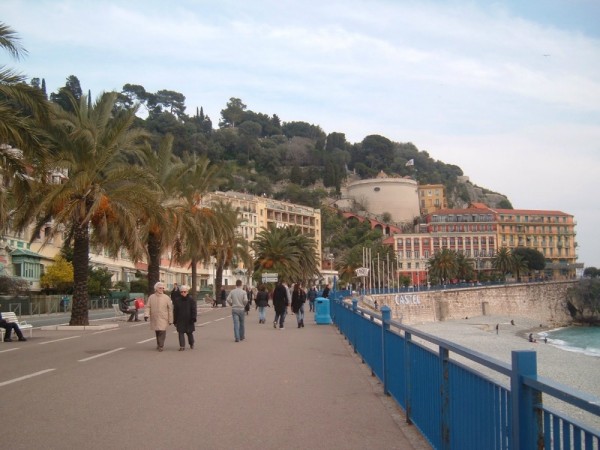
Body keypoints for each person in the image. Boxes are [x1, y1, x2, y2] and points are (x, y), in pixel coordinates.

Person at [144, 282, 173, 352]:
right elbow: (148, 306)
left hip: (163, 317)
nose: (161, 289)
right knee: (157, 331)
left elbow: (170, 309)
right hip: (155, 317)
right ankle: (158, 344)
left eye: (162, 288)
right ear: (156, 288)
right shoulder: (151, 297)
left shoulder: (166, 297)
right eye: (160, 288)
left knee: (162, 331)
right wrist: (146, 315)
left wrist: (170, 320)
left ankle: (161, 345)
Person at [172, 284, 197, 351]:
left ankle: (191, 343)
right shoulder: (177, 300)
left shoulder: (191, 300)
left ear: (187, 292)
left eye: (184, 292)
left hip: (189, 319)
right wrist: (175, 321)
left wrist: (193, 318)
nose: (183, 293)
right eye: (181, 292)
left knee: (189, 333)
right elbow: (175, 311)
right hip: (180, 319)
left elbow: (194, 310)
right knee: (180, 332)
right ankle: (182, 346)